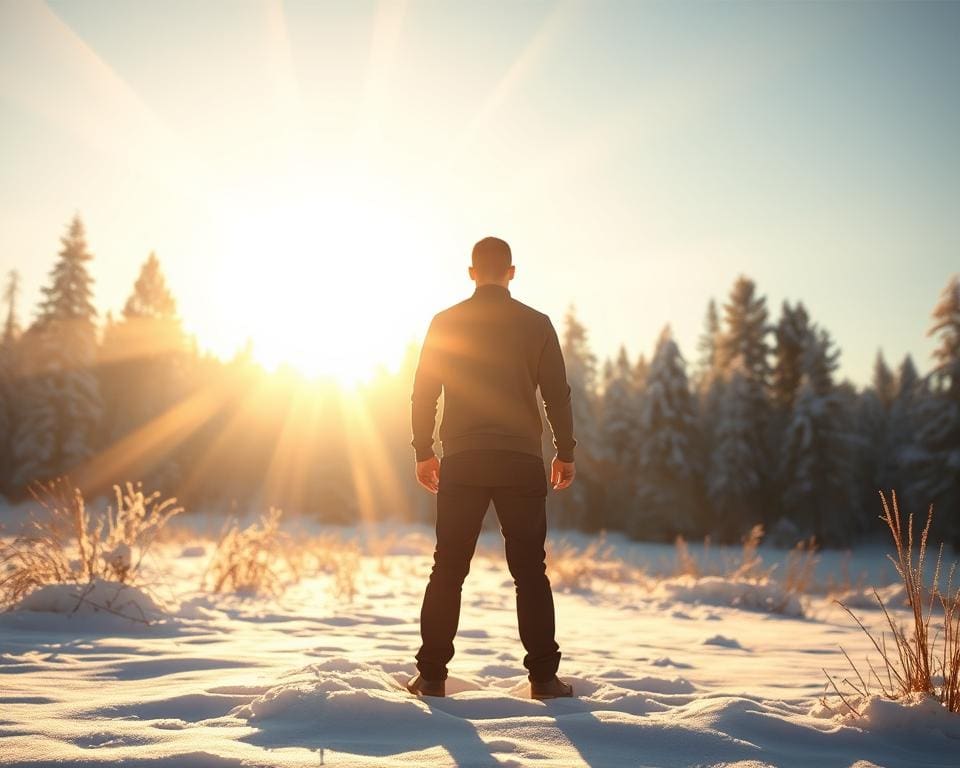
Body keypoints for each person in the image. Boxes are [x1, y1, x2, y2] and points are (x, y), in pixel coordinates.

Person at [407, 236, 577, 700]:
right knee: (530, 571)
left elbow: (424, 392)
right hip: (521, 460)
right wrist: (566, 451)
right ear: (512, 272)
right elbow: (557, 393)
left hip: (462, 459)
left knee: (448, 567)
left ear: (471, 272)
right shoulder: (536, 324)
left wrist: (423, 449)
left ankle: (432, 676)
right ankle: (543, 679)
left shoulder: (446, 322)